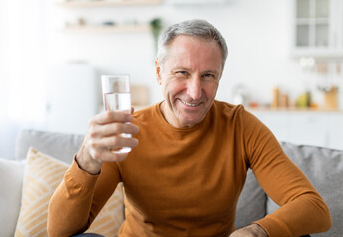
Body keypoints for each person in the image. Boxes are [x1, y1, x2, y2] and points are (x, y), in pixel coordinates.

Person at [47, 19, 331, 237]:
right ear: (159, 72)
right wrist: (86, 159)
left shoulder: (240, 126)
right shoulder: (127, 130)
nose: (195, 92)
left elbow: (313, 207)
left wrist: (256, 231)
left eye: (208, 75)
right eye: (182, 72)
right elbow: (59, 231)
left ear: (220, 77)